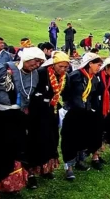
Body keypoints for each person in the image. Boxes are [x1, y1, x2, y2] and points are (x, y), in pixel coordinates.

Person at [0, 47, 45, 198]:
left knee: (18, 151)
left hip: (19, 116)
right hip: (0, 117)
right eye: (35, 60)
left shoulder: (35, 74)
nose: (36, 64)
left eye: (40, 62)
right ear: (25, 58)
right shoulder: (5, 68)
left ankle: (14, 186)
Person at [26, 51, 70, 189]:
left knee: (51, 139)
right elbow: (32, 93)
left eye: (65, 67)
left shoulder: (63, 77)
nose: (63, 69)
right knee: (35, 140)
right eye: (61, 66)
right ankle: (30, 173)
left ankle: (45, 168)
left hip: (52, 111)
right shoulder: (41, 73)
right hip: (37, 113)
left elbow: (63, 93)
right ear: (54, 64)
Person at [61, 53, 102, 180]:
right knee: (69, 139)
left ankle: (79, 161)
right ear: (90, 63)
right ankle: (69, 167)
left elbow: (92, 96)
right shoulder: (75, 76)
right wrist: (70, 106)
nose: (99, 68)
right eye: (98, 65)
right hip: (73, 112)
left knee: (82, 138)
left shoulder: (94, 79)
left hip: (86, 112)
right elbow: (66, 93)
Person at [95, 58, 110, 163]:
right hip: (98, 108)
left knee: (109, 130)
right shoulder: (97, 78)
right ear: (106, 68)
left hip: (109, 109)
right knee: (97, 131)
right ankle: (95, 156)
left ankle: (108, 152)